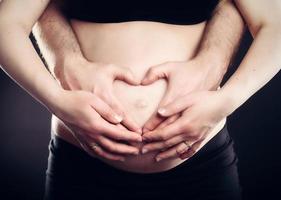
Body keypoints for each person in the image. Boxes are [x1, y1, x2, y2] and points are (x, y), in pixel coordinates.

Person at [0, 0, 280, 199]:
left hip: (199, 166)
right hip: (83, 167)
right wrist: (58, 101)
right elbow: (6, 24)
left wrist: (226, 102)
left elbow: (276, 23)